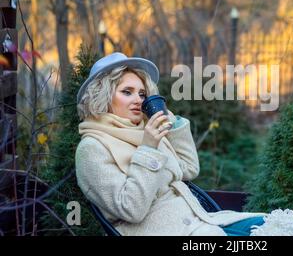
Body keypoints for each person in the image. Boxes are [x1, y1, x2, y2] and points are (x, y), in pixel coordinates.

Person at [75, 52, 266, 236]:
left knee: (273, 225)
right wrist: (148, 148)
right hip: (161, 231)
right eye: (127, 92)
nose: (138, 101)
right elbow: (131, 210)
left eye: (142, 94)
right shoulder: (92, 148)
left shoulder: (145, 130)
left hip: (199, 221)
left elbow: (189, 169)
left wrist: (173, 126)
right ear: (103, 95)